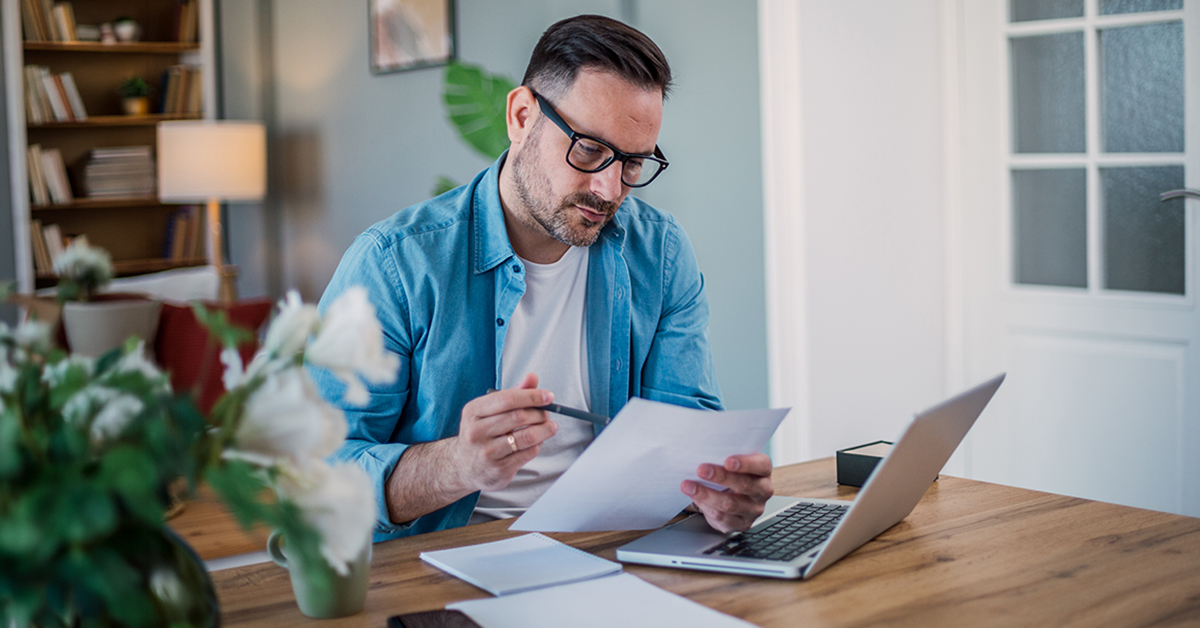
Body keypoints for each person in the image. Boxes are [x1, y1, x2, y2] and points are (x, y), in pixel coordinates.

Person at [316, 14, 773, 542]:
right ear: (521, 116)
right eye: (589, 150)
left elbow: (686, 438)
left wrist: (719, 495)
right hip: (444, 568)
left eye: (632, 163)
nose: (609, 189)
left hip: (613, 551)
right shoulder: (393, 265)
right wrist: (459, 465)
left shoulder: (661, 254)